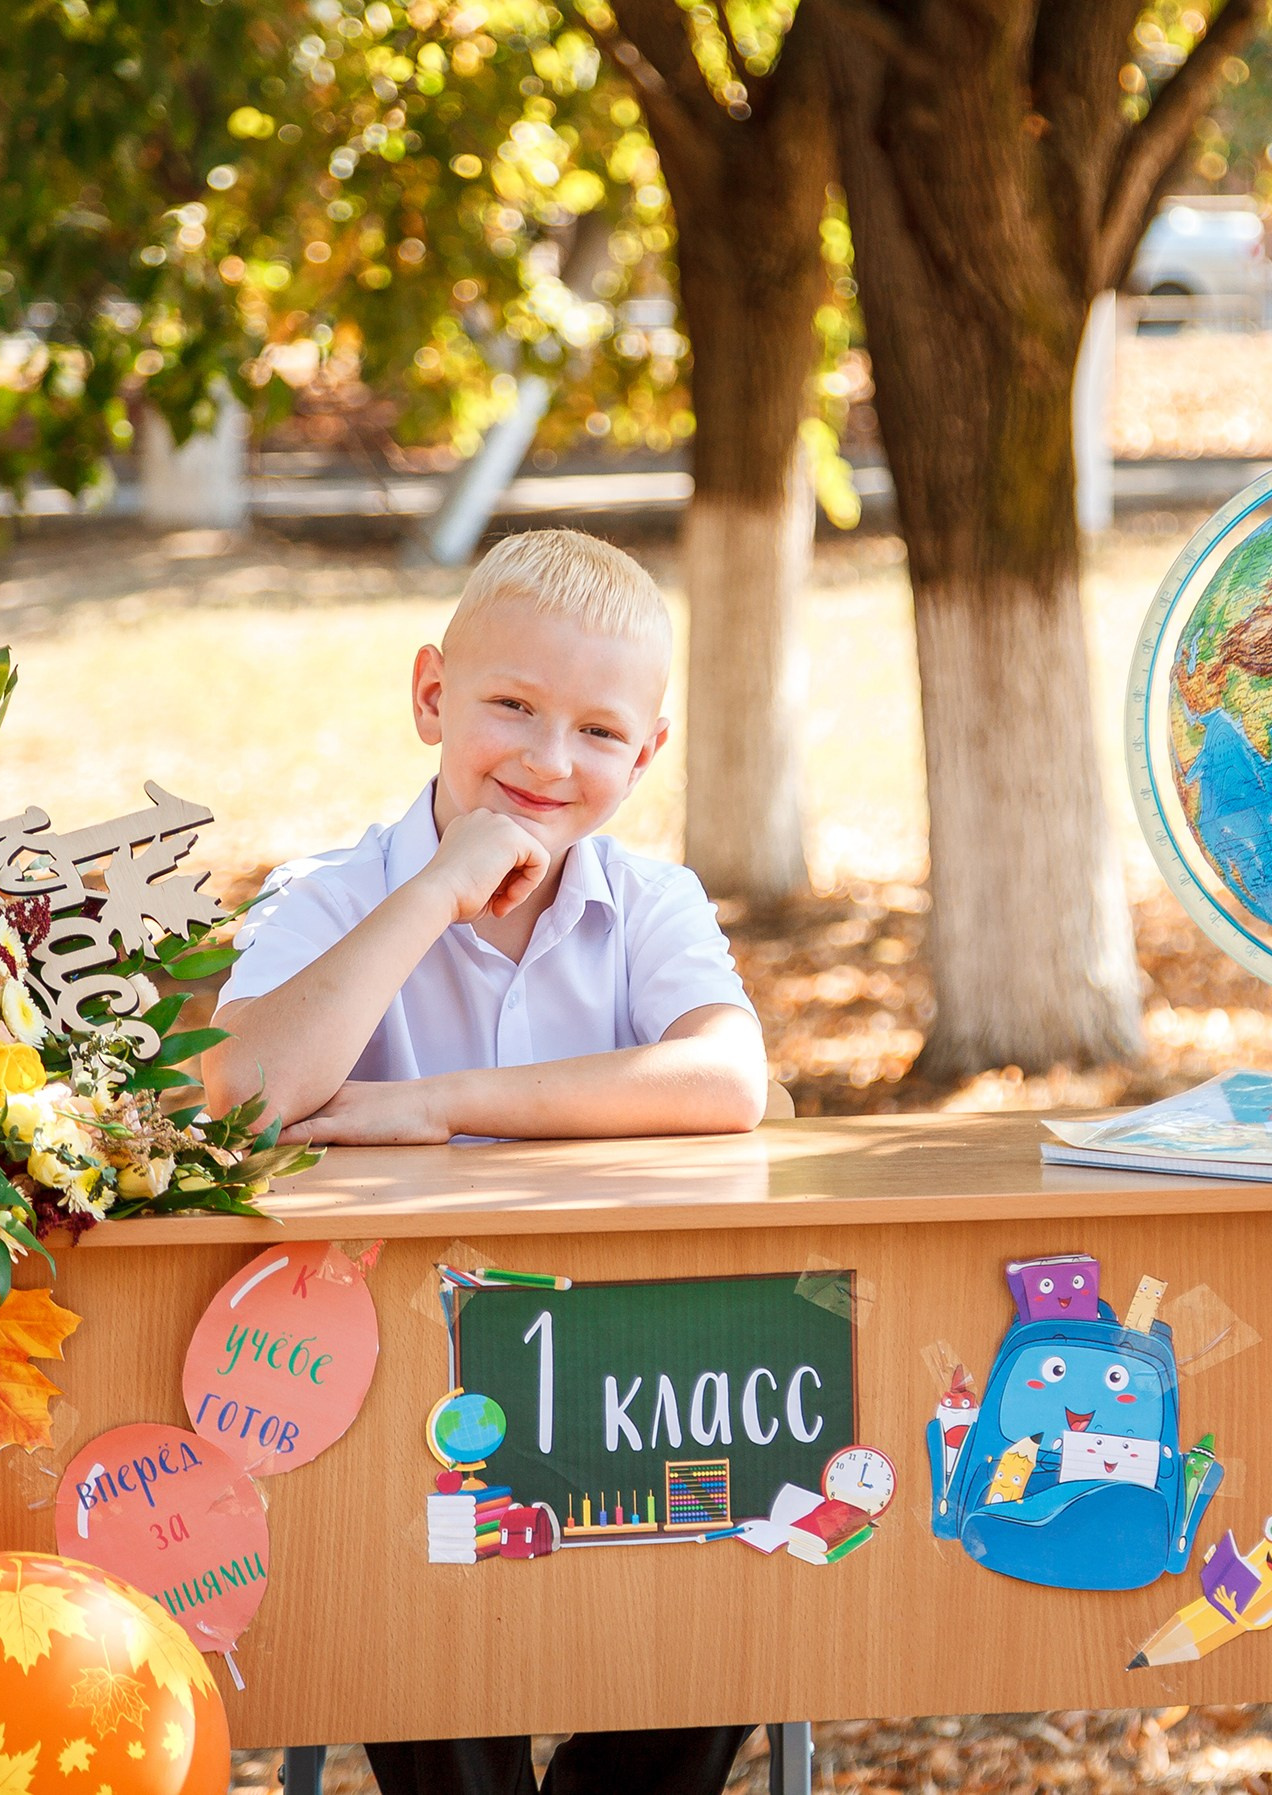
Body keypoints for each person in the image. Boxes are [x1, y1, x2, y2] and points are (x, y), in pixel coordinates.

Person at [202, 528, 769, 1795]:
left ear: (648, 752)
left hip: (626, 1384)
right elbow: (240, 1099)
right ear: (429, 697)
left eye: (599, 732)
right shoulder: (332, 896)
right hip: (400, 1400)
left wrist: (436, 1105)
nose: (547, 759)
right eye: (510, 705)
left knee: (728, 1576)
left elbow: (728, 1079)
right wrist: (436, 894)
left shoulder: (651, 901)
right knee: (411, 1603)